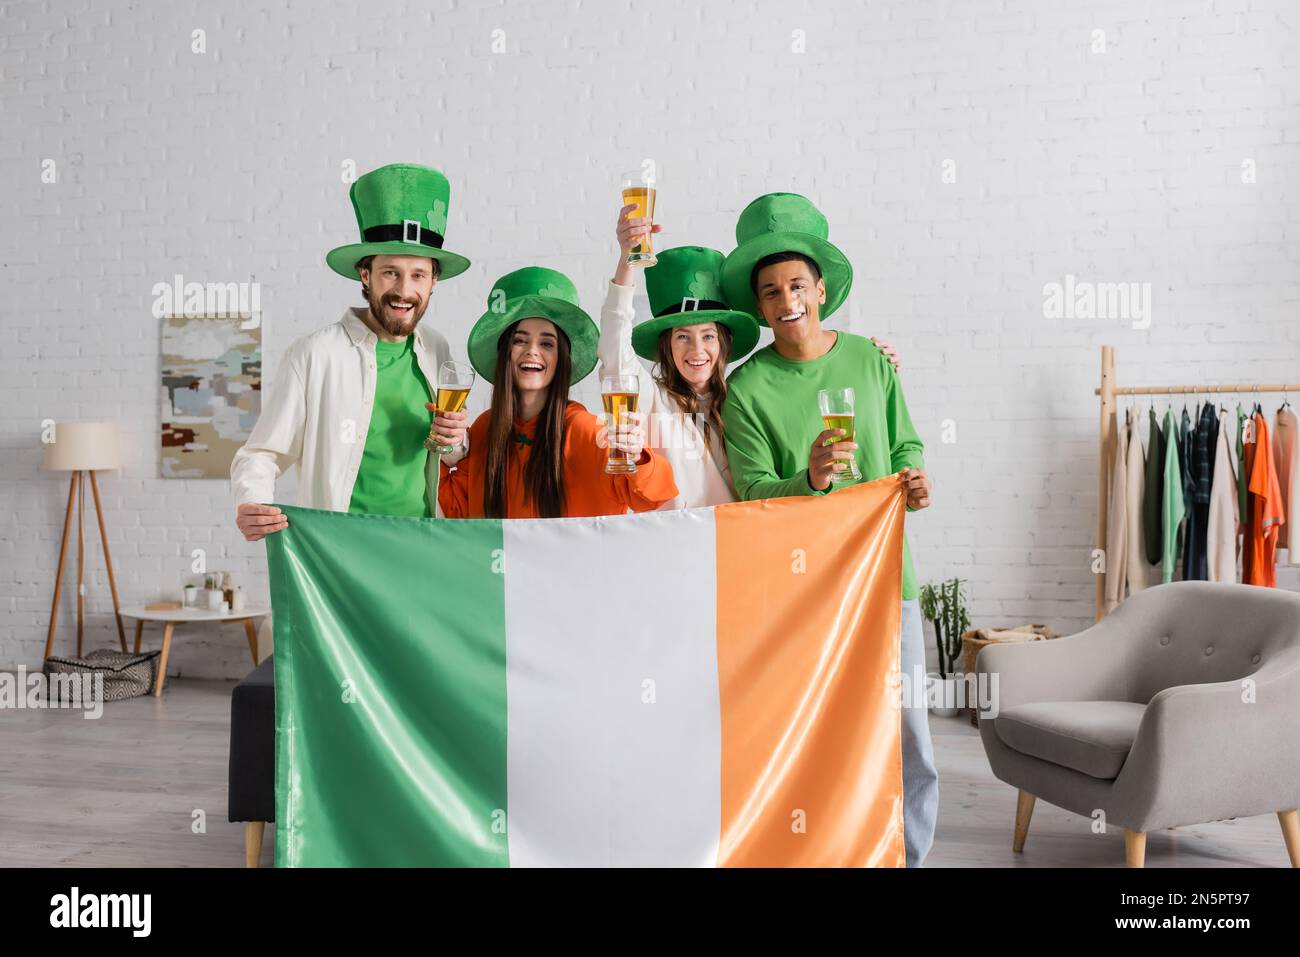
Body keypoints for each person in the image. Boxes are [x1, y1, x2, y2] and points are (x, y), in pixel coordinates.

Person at [719, 191, 938, 867]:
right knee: (819, 732)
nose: (787, 300)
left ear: (820, 289)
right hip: (803, 589)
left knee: (909, 731)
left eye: (796, 285)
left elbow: (905, 446)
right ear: (758, 307)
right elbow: (754, 491)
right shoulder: (746, 388)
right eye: (770, 291)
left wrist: (917, 479)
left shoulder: (872, 362)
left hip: (885, 577)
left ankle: (912, 854)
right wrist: (809, 479)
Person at [598, 205, 902, 508]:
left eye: (708, 336)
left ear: (723, 343)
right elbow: (614, 351)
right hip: (676, 544)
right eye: (682, 337)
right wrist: (627, 260)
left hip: (739, 546)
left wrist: (872, 363)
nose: (697, 350)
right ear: (666, 347)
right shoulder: (652, 400)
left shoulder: (741, 396)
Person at [231, 163, 471, 539]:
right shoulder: (313, 355)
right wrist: (251, 502)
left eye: (418, 275)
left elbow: (451, 456)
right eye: (390, 272)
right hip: (342, 551)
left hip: (420, 543)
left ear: (433, 280)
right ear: (365, 274)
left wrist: (455, 438)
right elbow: (263, 453)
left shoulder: (436, 349)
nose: (404, 291)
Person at [438, 267, 678, 518]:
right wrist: (443, 449)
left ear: (561, 358)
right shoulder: (484, 428)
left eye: (546, 343)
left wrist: (636, 453)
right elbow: (458, 509)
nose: (532, 351)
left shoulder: (588, 431)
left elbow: (650, 498)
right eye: (519, 340)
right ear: (504, 355)